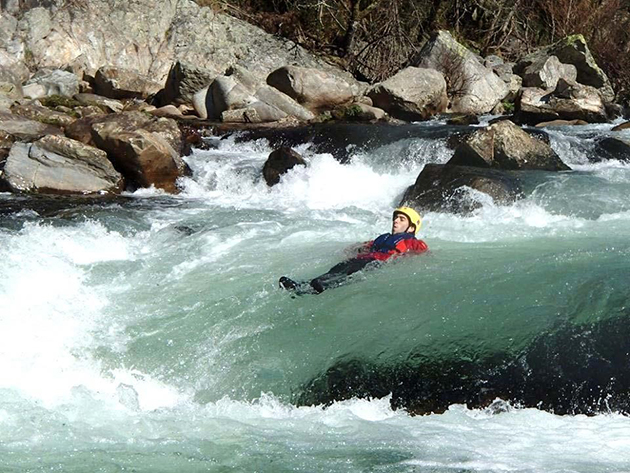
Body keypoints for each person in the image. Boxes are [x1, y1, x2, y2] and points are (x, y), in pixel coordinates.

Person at [279, 206, 428, 294]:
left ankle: (317, 288)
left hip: (377, 263)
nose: (396, 221)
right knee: (338, 268)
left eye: (402, 219)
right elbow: (366, 245)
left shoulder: (412, 241)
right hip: (366, 258)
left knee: (347, 274)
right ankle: (303, 285)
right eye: (396, 218)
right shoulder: (384, 237)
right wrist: (353, 248)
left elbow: (422, 251)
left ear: (412, 227)